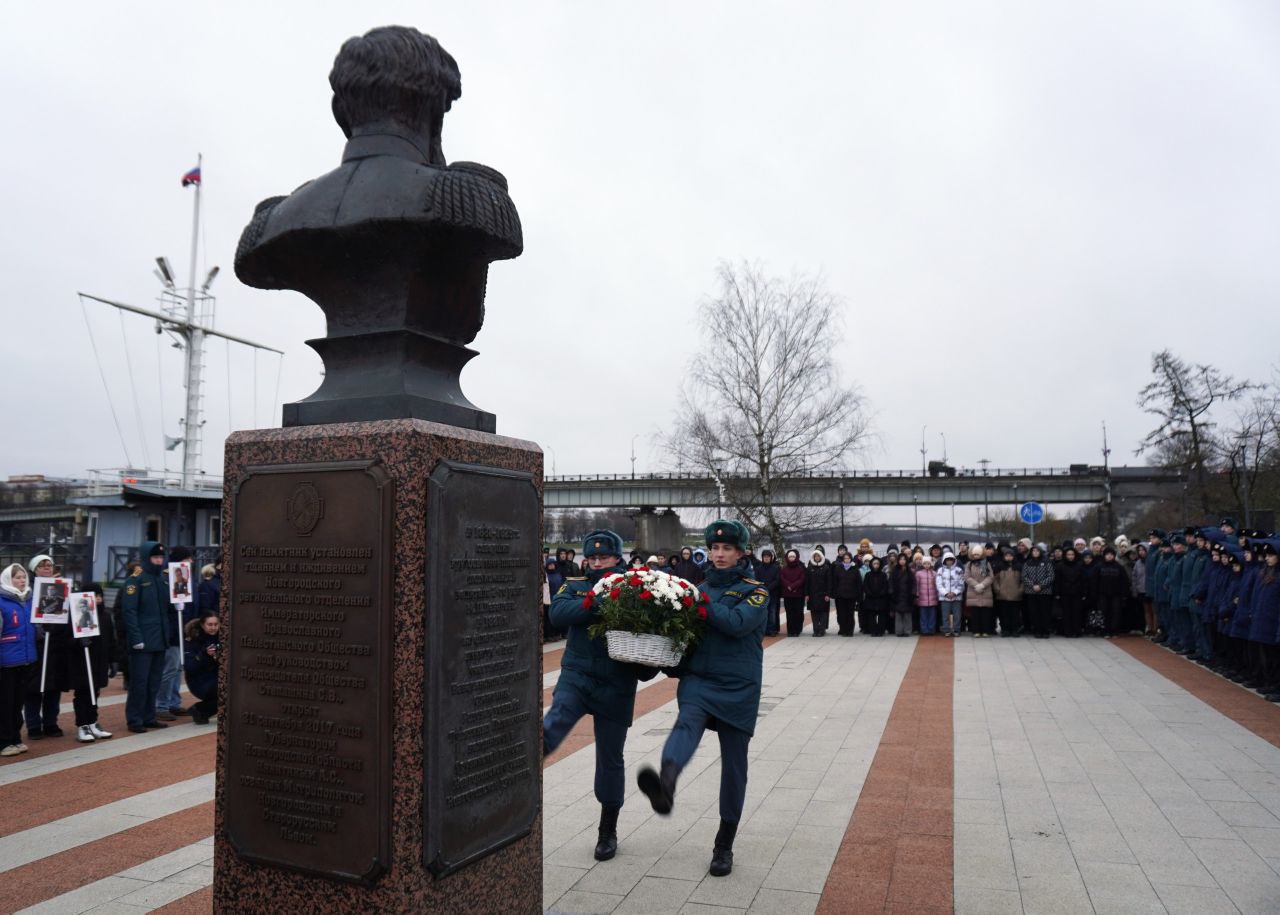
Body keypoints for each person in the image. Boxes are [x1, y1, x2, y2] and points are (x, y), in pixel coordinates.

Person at [637, 520, 767, 878]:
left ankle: (724, 844)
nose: (719, 554)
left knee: (734, 765)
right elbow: (686, 636)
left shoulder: (755, 591)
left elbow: (735, 622)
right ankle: (666, 782)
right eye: (714, 548)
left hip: (739, 685)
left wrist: (696, 601)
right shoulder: (699, 588)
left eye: (726, 549)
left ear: (741, 553)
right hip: (700, 680)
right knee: (686, 722)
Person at [544, 529, 655, 862]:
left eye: (603, 558)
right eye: (591, 558)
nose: (596, 563)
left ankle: (608, 831)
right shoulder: (575, 584)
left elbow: (650, 638)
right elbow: (559, 614)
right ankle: (517, 773)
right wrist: (600, 599)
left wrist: (648, 663)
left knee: (610, 759)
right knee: (555, 721)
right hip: (578, 676)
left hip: (616, 684)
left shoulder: (637, 589)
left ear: (617, 558)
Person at [50, 583, 114, 743]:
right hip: (81, 662)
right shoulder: (75, 616)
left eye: (100, 596)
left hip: (99, 662)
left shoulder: (105, 616)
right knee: (83, 693)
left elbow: (111, 641)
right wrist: (78, 642)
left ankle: (93, 722)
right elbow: (63, 640)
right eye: (95, 596)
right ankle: (82, 725)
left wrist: (113, 660)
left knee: (95, 693)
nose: (98, 600)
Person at [120, 540, 173, 733]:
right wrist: (136, 639)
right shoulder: (135, 580)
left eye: (161, 557)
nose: (159, 561)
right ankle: (135, 719)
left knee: (154, 682)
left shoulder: (163, 579)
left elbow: (166, 610)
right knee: (139, 684)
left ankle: (149, 716)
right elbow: (129, 612)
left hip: (159, 639)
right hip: (143, 640)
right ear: (146, 558)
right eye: (155, 557)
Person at [23, 554, 63, 739]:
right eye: (42, 565)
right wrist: (39, 629)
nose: (47, 568)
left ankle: (50, 722)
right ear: (34, 569)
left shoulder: (60, 587)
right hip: (36, 644)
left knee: (53, 687)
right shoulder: (28, 590)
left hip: (55, 643)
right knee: (33, 688)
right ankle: (33, 725)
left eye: (49, 565)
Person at [0, 564, 36, 756]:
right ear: (8, 580)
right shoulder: (2, 602)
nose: (21, 581)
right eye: (17, 578)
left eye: (23, 577)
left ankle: (15, 738)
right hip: (6, 662)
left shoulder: (30, 600)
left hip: (26, 659)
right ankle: (4, 742)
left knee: (17, 703)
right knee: (5, 703)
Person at [183, 611, 220, 723]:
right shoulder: (192, 640)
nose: (213, 628)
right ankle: (201, 709)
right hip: (199, 681)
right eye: (210, 625)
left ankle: (200, 710)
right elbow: (190, 667)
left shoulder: (222, 637)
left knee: (235, 688)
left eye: (216, 624)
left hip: (216, 677)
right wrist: (204, 654)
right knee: (226, 689)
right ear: (202, 625)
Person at [1095, 547, 1131, 638]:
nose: (1109, 556)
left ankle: (1115, 631)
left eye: (1111, 555)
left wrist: (1124, 594)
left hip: (1116, 594)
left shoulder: (1119, 567)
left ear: (1114, 556)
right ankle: (1106, 630)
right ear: (1104, 556)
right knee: (1105, 612)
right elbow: (1095, 580)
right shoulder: (1099, 566)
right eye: (1107, 554)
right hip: (1103, 594)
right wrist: (1096, 593)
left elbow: (1125, 581)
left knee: (1116, 612)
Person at [1022, 545, 1055, 638]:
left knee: (1045, 612)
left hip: (1045, 592)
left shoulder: (1047, 562)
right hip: (1031, 592)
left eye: (1037, 551)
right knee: (1034, 612)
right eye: (1034, 551)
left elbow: (1051, 576)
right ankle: (1037, 630)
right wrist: (1033, 586)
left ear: (1040, 552)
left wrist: (1041, 585)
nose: (1035, 552)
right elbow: (1024, 577)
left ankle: (1045, 630)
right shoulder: (1027, 563)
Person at [830, 548, 863, 637]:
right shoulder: (838, 568)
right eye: (845, 558)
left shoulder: (855, 569)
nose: (847, 560)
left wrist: (858, 595)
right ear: (843, 559)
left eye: (848, 558)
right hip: (840, 596)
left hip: (851, 595)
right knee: (842, 614)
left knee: (850, 614)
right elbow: (835, 582)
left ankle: (850, 631)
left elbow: (858, 583)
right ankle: (843, 630)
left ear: (851, 559)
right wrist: (835, 593)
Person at [965, 544, 995, 637]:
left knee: (985, 613)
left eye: (978, 554)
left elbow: (991, 577)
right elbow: (967, 577)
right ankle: (976, 631)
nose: (976, 556)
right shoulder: (969, 564)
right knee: (975, 613)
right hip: (973, 591)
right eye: (974, 554)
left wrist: (982, 585)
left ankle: (986, 631)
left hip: (985, 591)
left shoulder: (986, 563)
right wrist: (976, 585)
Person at [993, 547, 1023, 636]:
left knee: (1015, 614)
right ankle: (1005, 630)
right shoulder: (999, 566)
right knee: (1003, 614)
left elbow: (1023, 580)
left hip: (1016, 595)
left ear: (1013, 556)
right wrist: (998, 589)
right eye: (1007, 556)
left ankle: (1014, 630)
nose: (1008, 557)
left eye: (1010, 555)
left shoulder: (1019, 566)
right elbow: (995, 580)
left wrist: (1020, 590)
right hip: (1002, 595)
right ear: (1004, 557)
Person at [935, 552, 964, 637]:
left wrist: (955, 593)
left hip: (957, 597)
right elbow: (938, 584)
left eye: (951, 559)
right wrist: (946, 593)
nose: (949, 561)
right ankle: (946, 630)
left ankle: (956, 630)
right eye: (947, 560)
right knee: (945, 615)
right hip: (944, 597)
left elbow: (961, 583)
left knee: (957, 615)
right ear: (944, 561)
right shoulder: (940, 570)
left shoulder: (959, 570)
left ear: (954, 560)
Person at [805, 548, 832, 637]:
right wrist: (807, 594)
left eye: (818, 556)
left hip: (823, 594)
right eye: (815, 556)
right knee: (814, 613)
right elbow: (807, 582)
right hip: (812, 595)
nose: (817, 557)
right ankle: (816, 630)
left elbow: (829, 582)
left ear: (821, 557)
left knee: (823, 613)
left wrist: (828, 594)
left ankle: (822, 630)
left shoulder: (826, 568)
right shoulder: (809, 568)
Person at [754, 549, 781, 636]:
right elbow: (756, 580)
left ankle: (772, 630)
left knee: (772, 612)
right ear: (762, 558)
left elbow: (777, 580)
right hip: (760, 593)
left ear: (771, 558)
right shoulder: (758, 568)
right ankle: (763, 630)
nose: (766, 558)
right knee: (762, 613)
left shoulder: (776, 568)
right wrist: (762, 588)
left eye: (768, 557)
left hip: (772, 593)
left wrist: (768, 588)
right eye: (764, 557)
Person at [780, 550, 806, 636]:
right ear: (787, 558)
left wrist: (793, 586)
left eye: (793, 557)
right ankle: (790, 631)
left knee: (798, 613)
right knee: (789, 613)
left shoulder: (800, 569)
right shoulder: (784, 569)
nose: (791, 558)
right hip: (788, 595)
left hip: (798, 595)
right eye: (790, 557)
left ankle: (797, 630)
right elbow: (782, 579)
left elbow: (801, 579)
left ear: (796, 558)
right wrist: (789, 586)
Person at [862, 557, 890, 636]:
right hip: (870, 598)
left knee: (882, 616)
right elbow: (865, 586)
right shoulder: (868, 575)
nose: (876, 565)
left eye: (877, 564)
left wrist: (881, 593)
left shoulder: (883, 575)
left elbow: (886, 586)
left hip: (881, 598)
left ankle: (881, 631)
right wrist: (870, 593)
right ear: (871, 564)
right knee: (871, 617)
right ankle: (873, 631)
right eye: (874, 564)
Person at [890, 553, 915, 637]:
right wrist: (891, 592)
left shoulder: (909, 571)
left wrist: (913, 593)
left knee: (907, 615)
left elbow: (914, 583)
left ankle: (907, 631)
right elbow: (891, 583)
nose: (902, 561)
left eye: (904, 559)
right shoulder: (894, 571)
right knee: (898, 615)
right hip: (897, 595)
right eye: (900, 559)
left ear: (906, 561)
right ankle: (899, 631)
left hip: (907, 596)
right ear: (898, 560)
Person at [914, 556, 939, 635]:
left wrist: (937, 595)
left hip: (933, 598)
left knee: (932, 616)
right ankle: (924, 630)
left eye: (928, 563)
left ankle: (931, 630)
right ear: (922, 564)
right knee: (923, 616)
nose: (927, 565)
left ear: (931, 564)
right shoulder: (918, 573)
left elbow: (937, 586)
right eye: (925, 563)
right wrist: (917, 595)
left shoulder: (934, 573)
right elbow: (917, 586)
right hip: (922, 598)